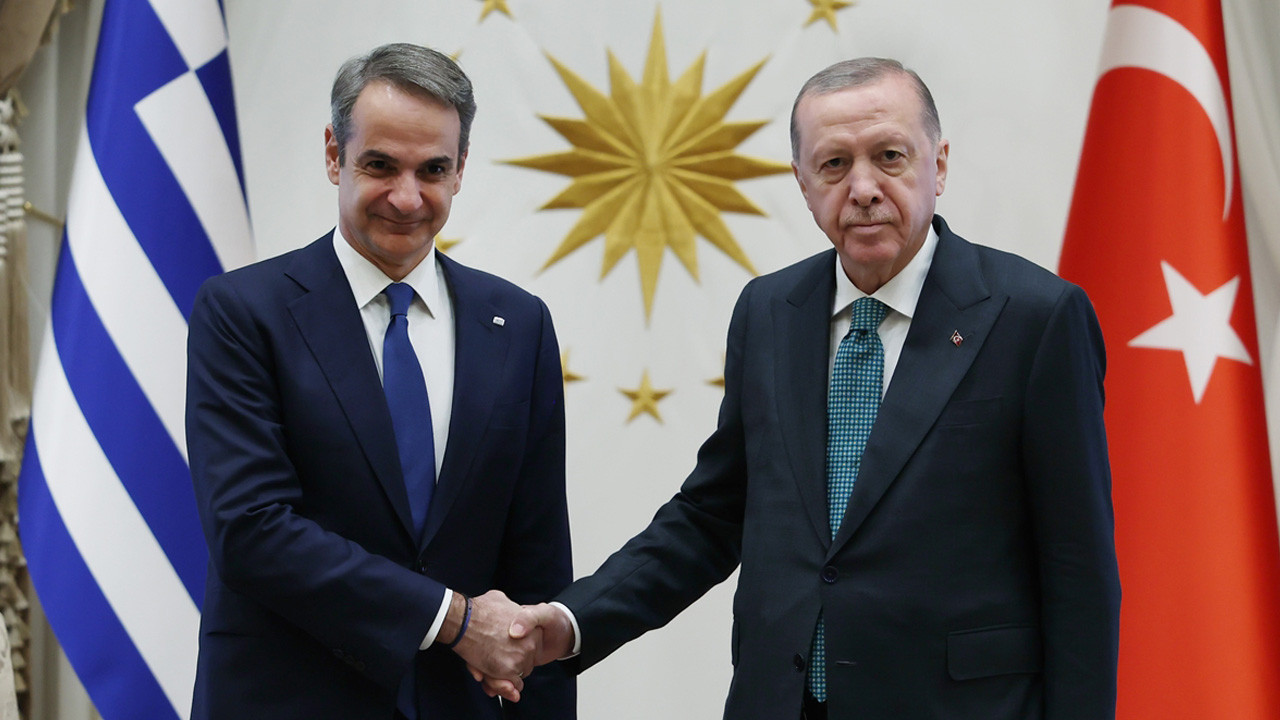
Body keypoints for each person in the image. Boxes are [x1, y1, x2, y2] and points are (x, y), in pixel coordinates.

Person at [506, 57, 1120, 719]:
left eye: (889, 157)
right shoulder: (769, 312)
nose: (863, 189)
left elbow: (1078, 568)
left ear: (938, 166)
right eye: (834, 164)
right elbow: (712, 515)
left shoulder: (1036, 317)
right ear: (802, 183)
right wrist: (572, 620)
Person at [186, 43, 574, 719]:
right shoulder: (243, 313)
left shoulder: (519, 324)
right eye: (380, 165)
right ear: (334, 156)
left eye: (433, 170)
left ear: (461, 169)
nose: (407, 197)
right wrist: (451, 618)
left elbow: (536, 562)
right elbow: (251, 531)